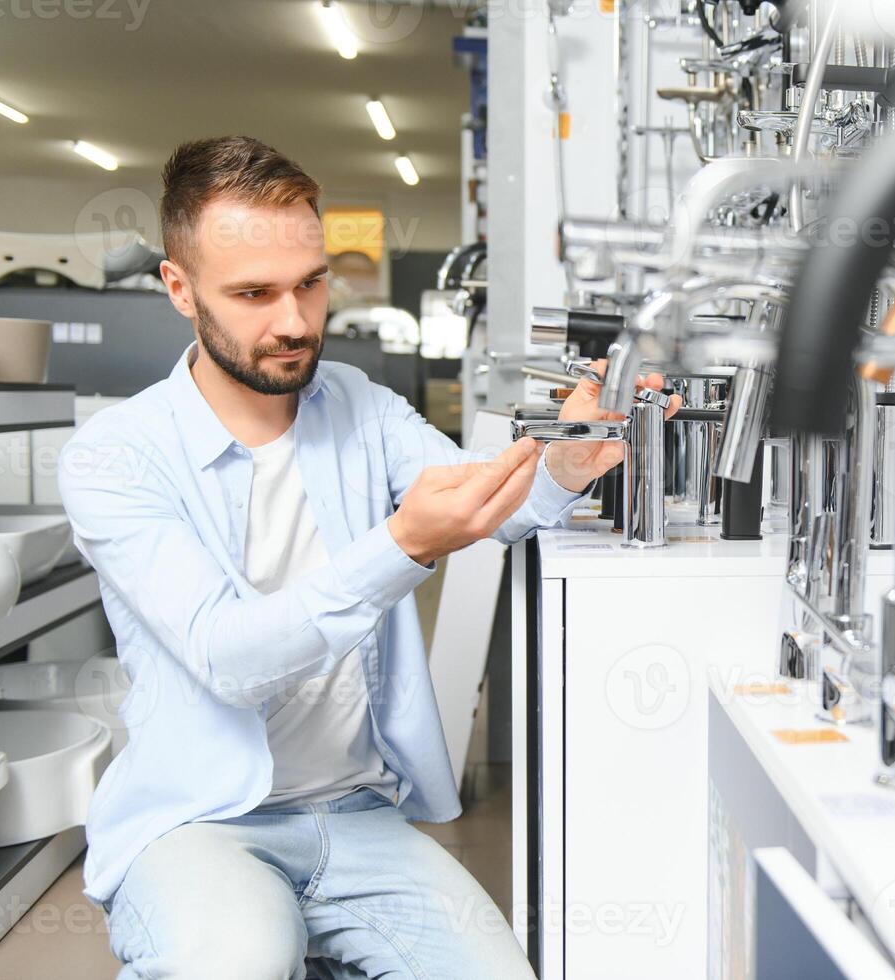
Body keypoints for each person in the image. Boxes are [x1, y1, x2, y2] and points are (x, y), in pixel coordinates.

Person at [58, 135, 677, 979]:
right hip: (196, 821)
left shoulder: (355, 402)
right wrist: (402, 545)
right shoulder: (113, 454)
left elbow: (479, 503)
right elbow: (232, 660)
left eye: (310, 282)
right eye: (253, 294)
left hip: (355, 816)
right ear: (179, 288)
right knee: (236, 961)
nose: (295, 321)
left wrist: (568, 458)